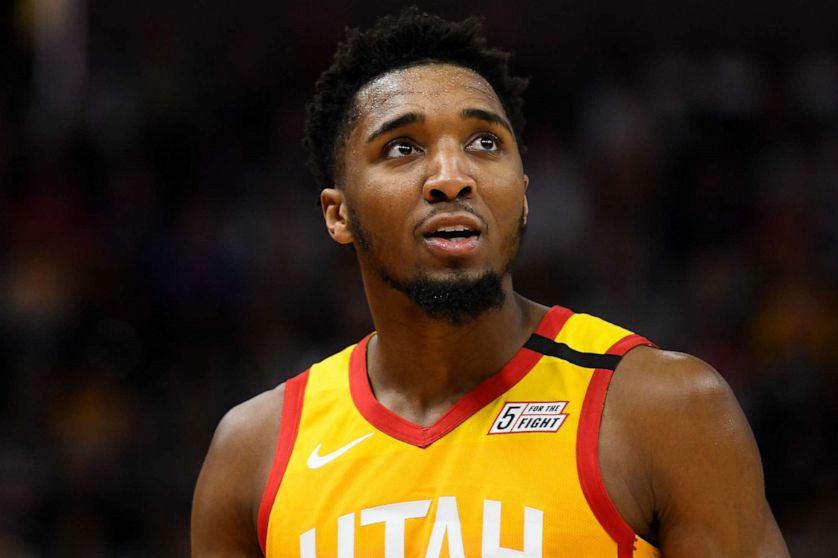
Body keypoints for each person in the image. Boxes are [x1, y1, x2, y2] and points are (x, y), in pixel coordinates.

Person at [191, 8, 790, 557]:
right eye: (403, 147)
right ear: (337, 214)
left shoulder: (665, 409)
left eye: (484, 143)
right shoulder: (255, 452)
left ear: (524, 197)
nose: (452, 177)